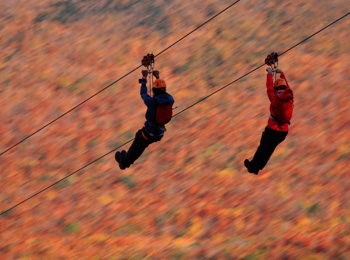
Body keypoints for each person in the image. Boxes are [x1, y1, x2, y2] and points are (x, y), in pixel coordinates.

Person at [115, 70, 174, 170]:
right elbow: (162, 92)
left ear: (154, 91)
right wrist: (157, 77)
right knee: (139, 146)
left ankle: (124, 163)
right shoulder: (170, 99)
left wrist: (144, 79)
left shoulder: (151, 102)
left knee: (137, 147)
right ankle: (126, 160)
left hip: (148, 133)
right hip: (158, 133)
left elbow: (143, 93)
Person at [244, 67, 294, 175]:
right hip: (283, 132)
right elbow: (287, 88)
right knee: (269, 150)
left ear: (276, 89)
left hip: (273, 129)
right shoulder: (289, 97)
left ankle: (253, 167)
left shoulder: (276, 100)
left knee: (263, 148)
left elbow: (269, 89)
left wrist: (270, 74)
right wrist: (282, 74)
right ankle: (257, 167)